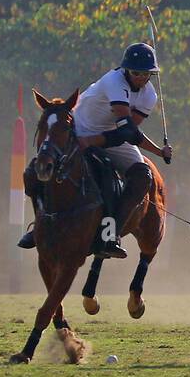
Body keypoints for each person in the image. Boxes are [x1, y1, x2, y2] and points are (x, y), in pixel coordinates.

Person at [17, 42, 173, 258]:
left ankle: (111, 234)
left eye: (146, 74)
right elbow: (126, 127)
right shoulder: (113, 81)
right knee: (39, 170)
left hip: (109, 137)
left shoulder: (150, 96)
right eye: (136, 72)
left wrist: (158, 152)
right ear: (126, 70)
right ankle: (39, 225)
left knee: (142, 175)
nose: (141, 78)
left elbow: (129, 132)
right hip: (80, 130)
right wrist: (89, 141)